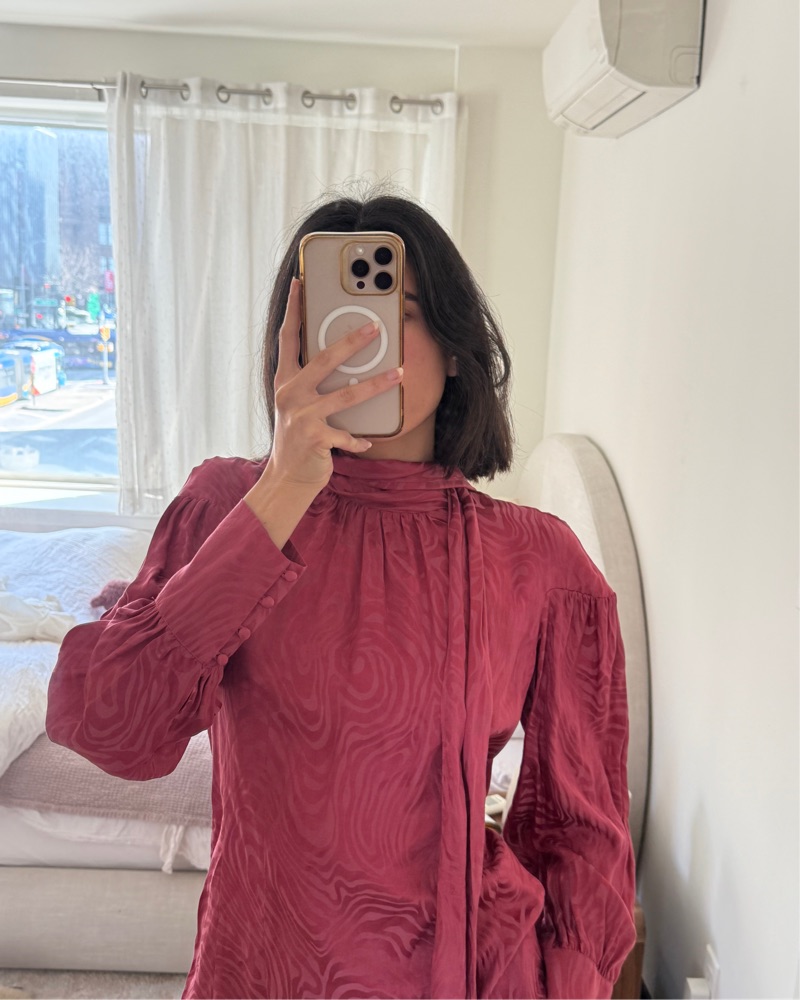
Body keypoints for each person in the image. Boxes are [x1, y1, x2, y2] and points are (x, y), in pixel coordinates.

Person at [46, 192, 637, 999]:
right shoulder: (225, 504)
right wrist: (282, 488)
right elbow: (113, 727)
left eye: (400, 313)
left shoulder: (539, 562)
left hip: (463, 975)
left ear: (456, 348)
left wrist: (561, 983)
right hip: (256, 970)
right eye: (335, 317)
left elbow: (584, 829)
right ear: (290, 345)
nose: (362, 339)